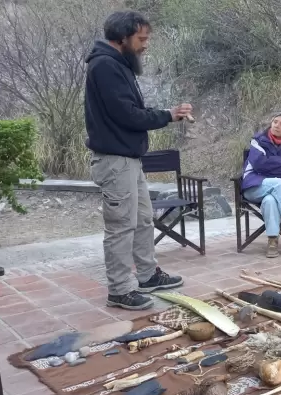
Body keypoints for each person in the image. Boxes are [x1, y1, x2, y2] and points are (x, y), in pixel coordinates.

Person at [85, 11, 191, 311]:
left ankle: (147, 275)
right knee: (120, 226)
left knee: (143, 218)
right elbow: (128, 115)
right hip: (114, 161)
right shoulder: (105, 66)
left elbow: (130, 110)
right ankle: (119, 290)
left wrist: (166, 114)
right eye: (141, 39)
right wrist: (168, 115)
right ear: (123, 37)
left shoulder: (117, 64)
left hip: (128, 160)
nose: (146, 45)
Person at [240, 113, 281, 258]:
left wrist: (269, 164)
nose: (277, 125)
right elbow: (259, 164)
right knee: (280, 183)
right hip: (253, 186)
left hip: (276, 192)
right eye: (275, 122)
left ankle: (272, 241)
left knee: (270, 201)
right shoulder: (258, 141)